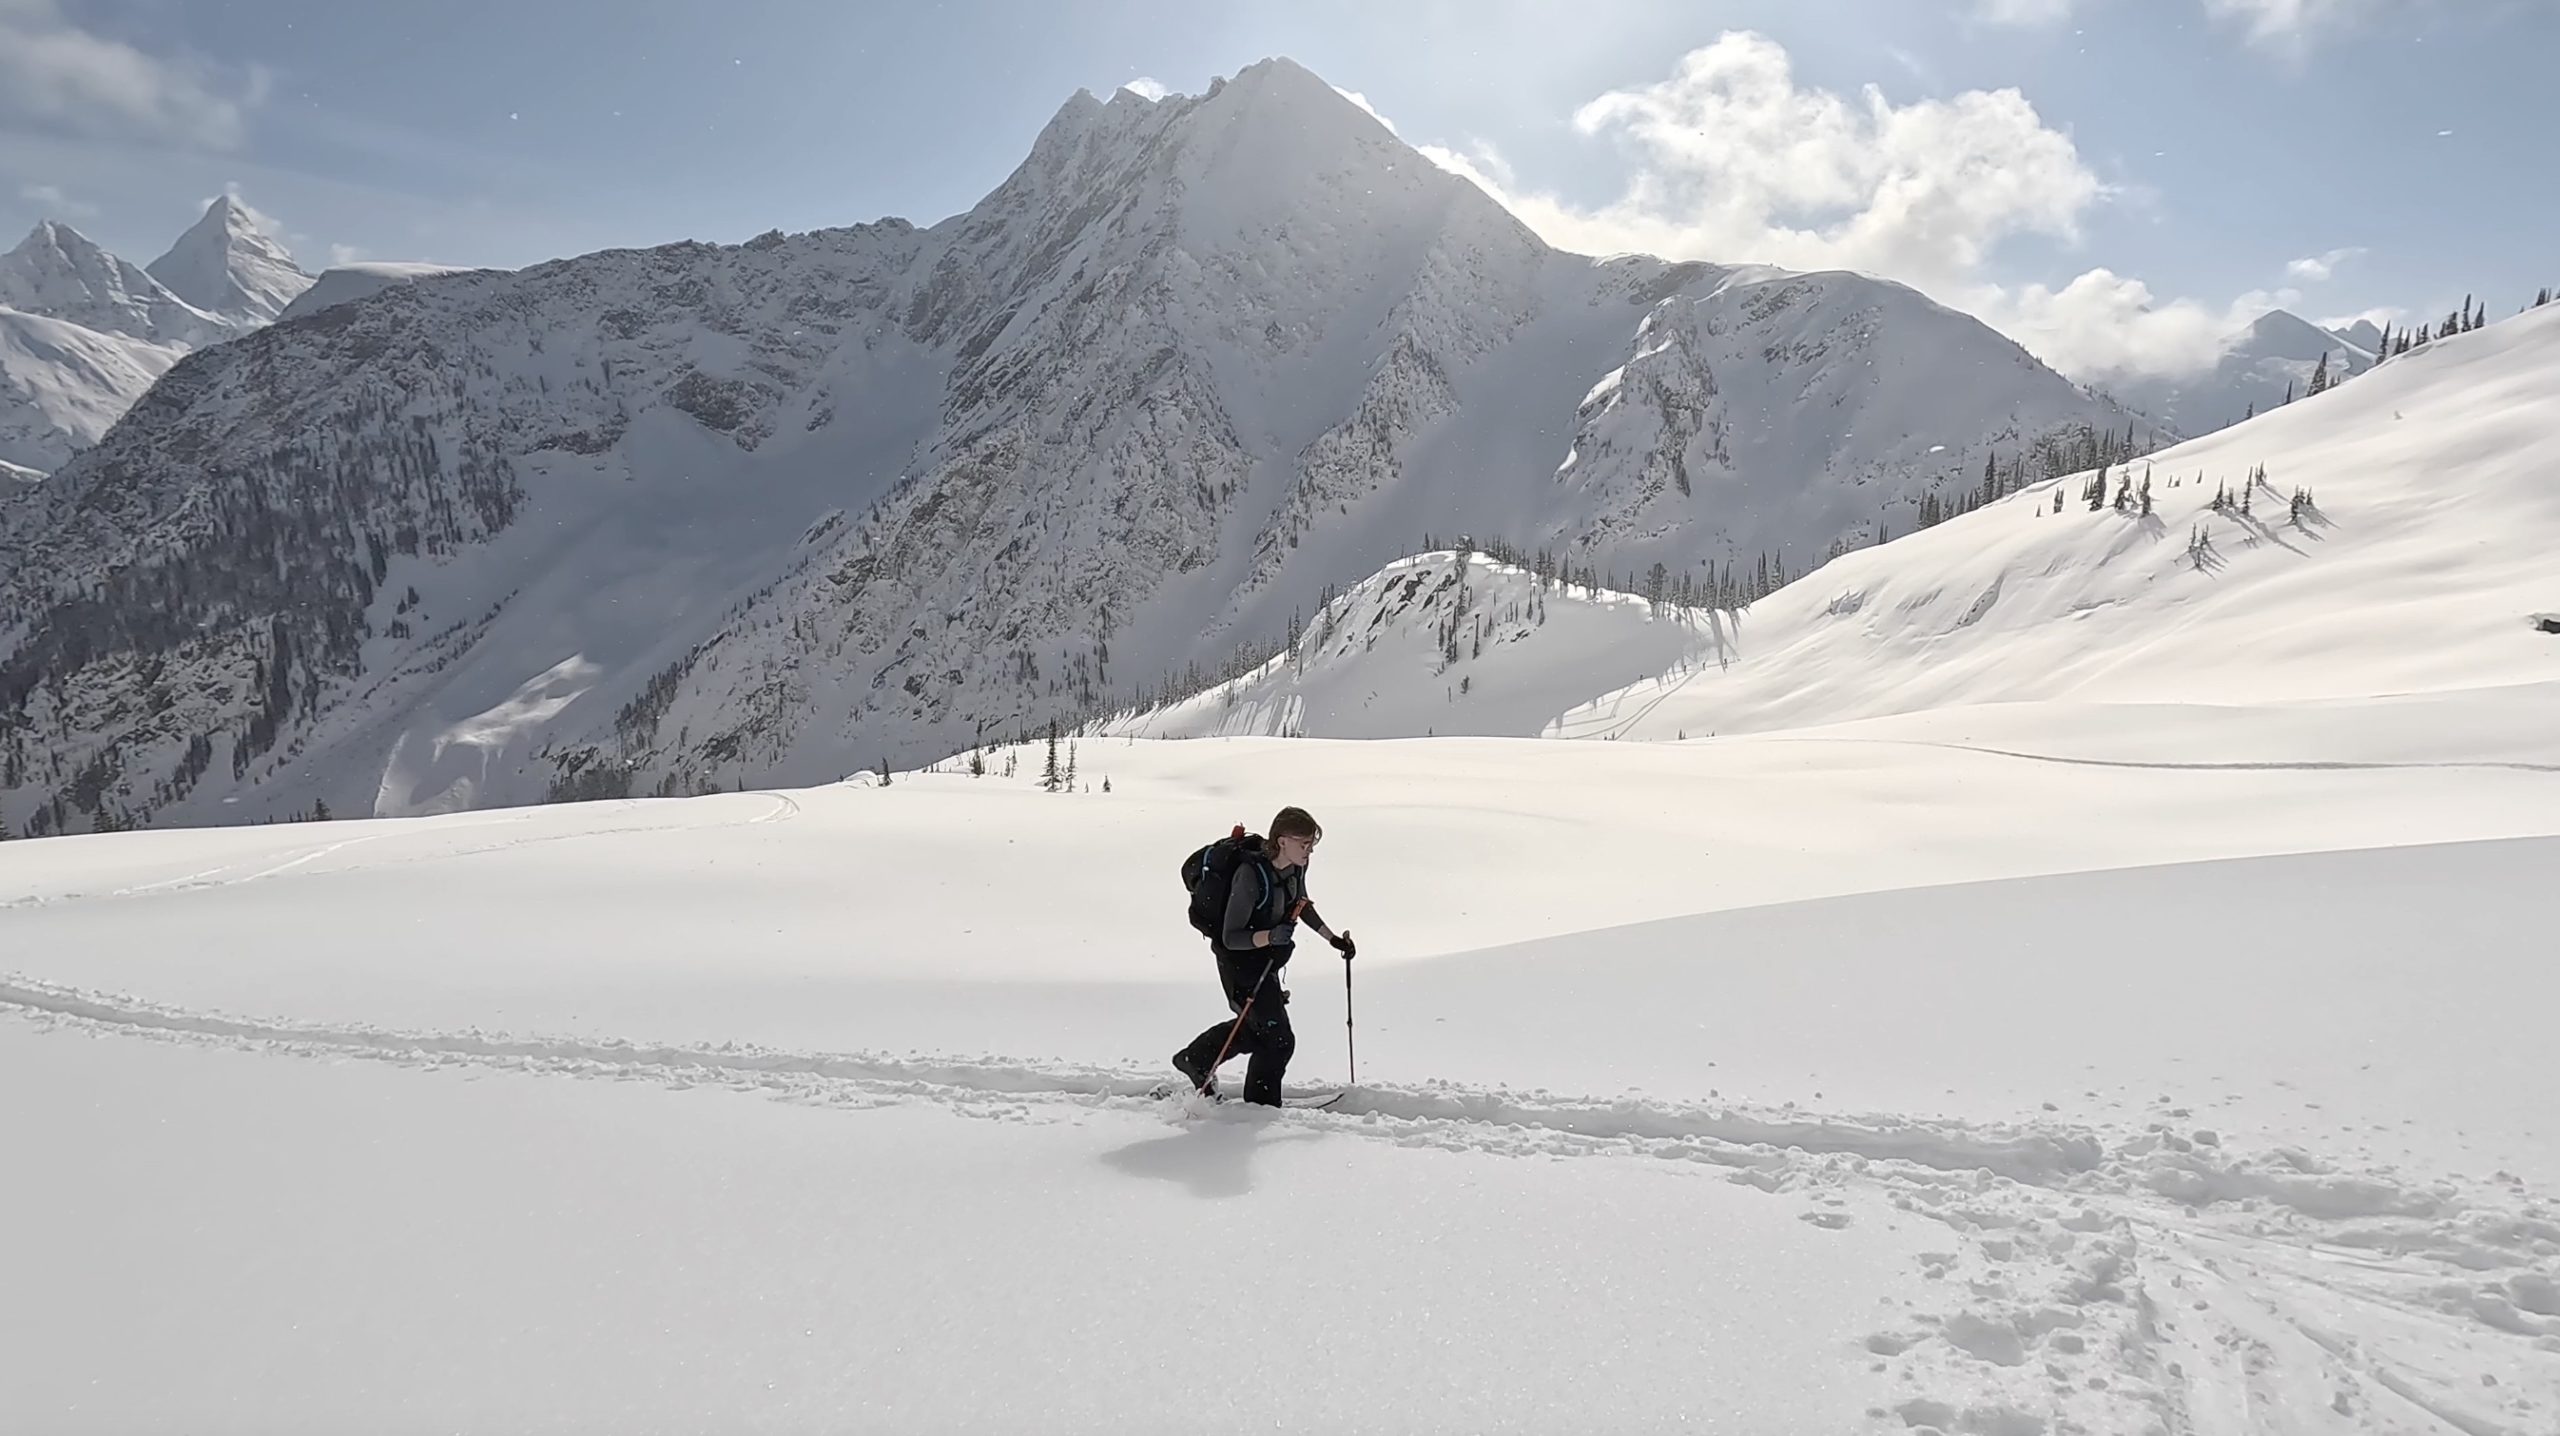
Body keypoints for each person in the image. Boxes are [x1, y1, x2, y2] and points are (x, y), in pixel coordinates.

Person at [1171, 806, 1355, 1105]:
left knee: (1260, 1030)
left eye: (1311, 845)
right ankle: (1260, 1108)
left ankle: (1196, 1058)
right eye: (1304, 844)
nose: (1309, 851)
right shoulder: (1250, 876)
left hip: (1265, 961)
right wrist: (1269, 936)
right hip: (1239, 964)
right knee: (1279, 1040)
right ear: (1282, 841)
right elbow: (1232, 938)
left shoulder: (1295, 867)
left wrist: (1331, 938)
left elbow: (1301, 904)